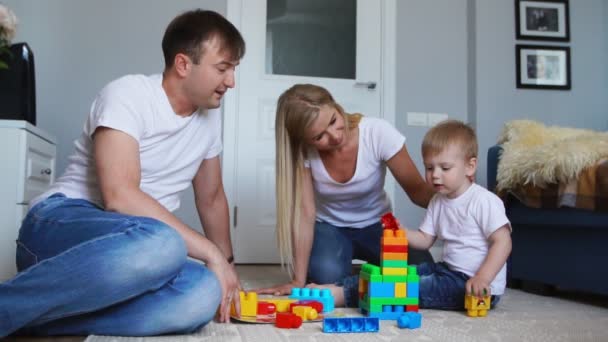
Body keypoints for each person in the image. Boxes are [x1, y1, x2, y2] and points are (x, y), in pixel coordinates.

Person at [0, 9, 245, 337]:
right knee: (164, 243)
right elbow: (120, 196)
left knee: (202, 291)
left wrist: (226, 269)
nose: (231, 82)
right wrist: (209, 252)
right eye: (223, 69)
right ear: (184, 64)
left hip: (137, 250)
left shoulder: (209, 119)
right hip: (61, 225)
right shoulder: (128, 94)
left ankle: (36, 321)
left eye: (233, 70)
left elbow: (212, 198)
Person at [254, 84, 435, 307]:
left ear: (336, 105)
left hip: (378, 223)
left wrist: (459, 198)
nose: (335, 136)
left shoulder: (377, 133)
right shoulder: (304, 152)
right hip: (331, 227)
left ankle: (358, 278)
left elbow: (417, 191)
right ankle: (365, 277)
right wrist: (298, 280)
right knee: (325, 277)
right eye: (319, 136)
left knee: (423, 272)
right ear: (305, 140)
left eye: (333, 121)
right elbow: (305, 213)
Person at [406, 119, 512, 309]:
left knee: (408, 288)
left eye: (445, 168)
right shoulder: (437, 201)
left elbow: (503, 242)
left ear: (470, 167)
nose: (435, 175)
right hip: (447, 269)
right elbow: (424, 239)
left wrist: (483, 278)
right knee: (404, 274)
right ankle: (347, 288)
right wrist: (399, 231)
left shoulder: (484, 201)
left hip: (474, 283)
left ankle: (347, 294)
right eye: (429, 168)